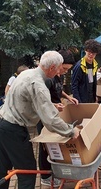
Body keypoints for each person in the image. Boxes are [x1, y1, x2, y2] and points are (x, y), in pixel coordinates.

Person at [0, 51, 80, 189]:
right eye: (60, 69)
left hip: (0, 122)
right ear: (51, 68)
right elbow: (51, 121)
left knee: (3, 168)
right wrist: (71, 131)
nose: (59, 73)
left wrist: (52, 105)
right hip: (13, 129)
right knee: (27, 171)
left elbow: (27, 99)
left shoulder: (27, 73)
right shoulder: (38, 85)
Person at [37, 49, 78, 187]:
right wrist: (54, 106)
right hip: (45, 116)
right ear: (58, 65)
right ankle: (45, 175)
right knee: (45, 146)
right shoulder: (47, 78)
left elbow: (59, 90)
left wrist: (68, 97)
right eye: (65, 68)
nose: (65, 71)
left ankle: (54, 171)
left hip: (55, 114)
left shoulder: (58, 75)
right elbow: (41, 102)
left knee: (54, 144)